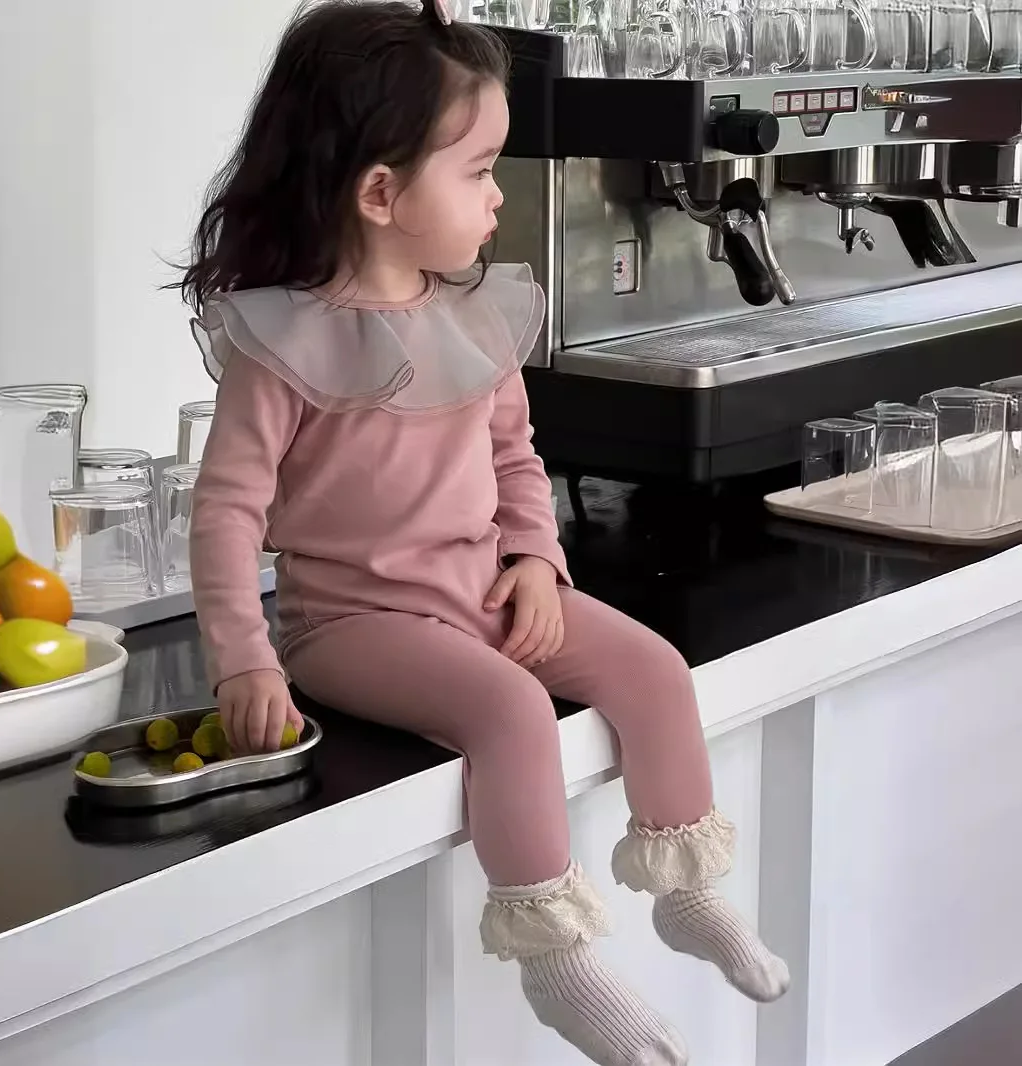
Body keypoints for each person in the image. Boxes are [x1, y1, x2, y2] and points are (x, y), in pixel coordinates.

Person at [179, 3, 788, 1063]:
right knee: (511, 709)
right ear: (381, 194)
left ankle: (685, 889)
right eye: (477, 170)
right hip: (354, 624)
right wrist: (244, 660)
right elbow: (226, 513)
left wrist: (536, 559)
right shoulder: (282, 342)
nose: (499, 193)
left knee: (653, 669)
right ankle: (555, 957)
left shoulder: (474, 313)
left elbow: (516, 459)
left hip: (483, 590)